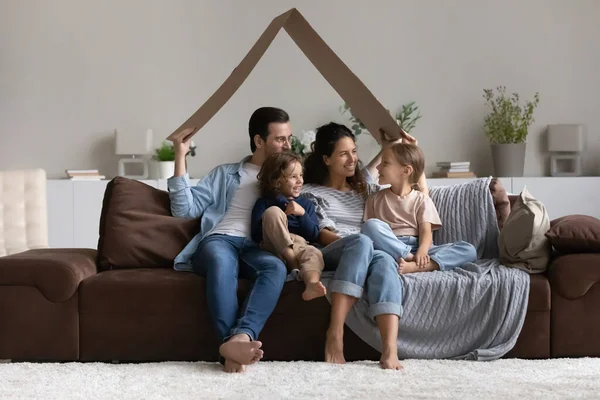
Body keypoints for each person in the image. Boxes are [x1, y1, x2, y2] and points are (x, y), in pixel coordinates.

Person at [168, 107, 292, 373]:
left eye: (288, 138)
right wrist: (180, 153)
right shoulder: (225, 174)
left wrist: (391, 148)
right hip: (220, 240)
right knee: (222, 262)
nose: (288, 145)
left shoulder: (287, 178)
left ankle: (240, 339)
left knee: (276, 267)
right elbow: (184, 209)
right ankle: (230, 348)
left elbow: (346, 176)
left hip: (255, 247)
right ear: (259, 141)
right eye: (280, 139)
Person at [301, 122, 418, 370]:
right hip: (336, 249)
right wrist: (359, 244)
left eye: (354, 151)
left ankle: (389, 349)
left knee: (385, 261)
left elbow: (384, 172)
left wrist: (396, 146)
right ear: (326, 159)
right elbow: (322, 234)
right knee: (363, 241)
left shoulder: (363, 189)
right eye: (343, 153)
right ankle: (335, 332)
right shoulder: (311, 191)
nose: (352, 158)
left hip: (368, 247)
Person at [361, 143, 478, 274]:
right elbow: (371, 234)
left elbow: (426, 232)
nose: (378, 167)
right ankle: (409, 259)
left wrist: (422, 251)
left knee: (469, 249)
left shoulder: (422, 199)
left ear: (406, 171)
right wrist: (406, 253)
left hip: (418, 246)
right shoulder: (374, 198)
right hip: (390, 248)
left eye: (385, 163)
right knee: (370, 226)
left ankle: (421, 265)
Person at [251, 152, 326, 301]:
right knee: (273, 212)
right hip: (274, 245)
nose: (300, 181)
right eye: (293, 177)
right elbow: (256, 233)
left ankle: (311, 283)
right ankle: (292, 263)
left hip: (301, 245)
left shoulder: (306, 204)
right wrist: (281, 202)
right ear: (276, 182)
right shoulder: (265, 202)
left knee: (314, 253)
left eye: (301, 175)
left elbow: (313, 235)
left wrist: (302, 214)